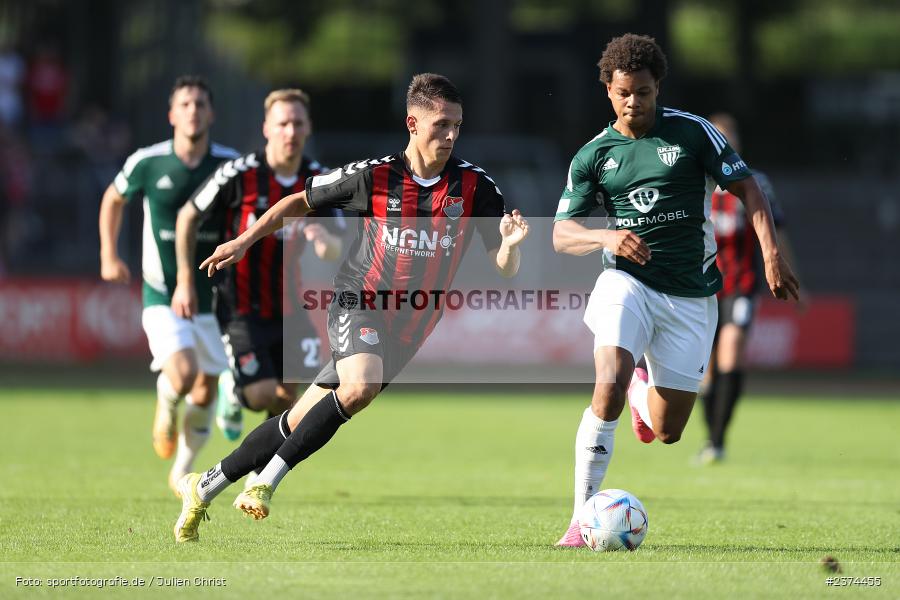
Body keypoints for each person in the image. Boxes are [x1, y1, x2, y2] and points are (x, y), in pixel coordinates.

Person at [172, 73, 530, 542]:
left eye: (457, 126)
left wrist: (510, 246)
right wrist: (242, 241)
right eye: (441, 124)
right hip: (357, 301)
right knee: (357, 387)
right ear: (412, 123)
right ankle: (265, 483)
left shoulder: (474, 186)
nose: (450, 135)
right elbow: (293, 203)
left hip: (412, 325)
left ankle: (203, 486)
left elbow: (503, 267)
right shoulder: (375, 176)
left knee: (298, 419)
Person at [552, 34, 799, 547]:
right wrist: (606, 236)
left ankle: (643, 391)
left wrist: (771, 252)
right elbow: (561, 233)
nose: (633, 102)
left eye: (643, 92)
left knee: (668, 431)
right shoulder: (593, 155)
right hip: (627, 282)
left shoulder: (693, 133)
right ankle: (579, 520)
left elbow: (747, 187)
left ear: (657, 87)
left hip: (689, 296)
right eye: (623, 93)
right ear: (608, 90)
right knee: (607, 382)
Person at [174, 88, 344, 444]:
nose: (291, 132)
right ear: (266, 127)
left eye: (298, 123)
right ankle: (234, 390)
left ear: (308, 127)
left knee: (290, 402)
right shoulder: (239, 173)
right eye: (283, 123)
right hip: (240, 307)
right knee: (264, 395)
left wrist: (321, 241)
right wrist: (184, 280)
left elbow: (337, 246)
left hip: (290, 308)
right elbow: (188, 215)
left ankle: (257, 480)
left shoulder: (321, 180)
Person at [99, 75, 239, 494]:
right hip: (161, 290)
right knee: (182, 372)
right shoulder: (148, 161)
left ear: (211, 113)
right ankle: (165, 407)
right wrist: (108, 254)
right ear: (172, 114)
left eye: (200, 103)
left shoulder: (229, 165)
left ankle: (182, 469)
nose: (193, 110)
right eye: (185, 104)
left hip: (215, 297)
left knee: (205, 385)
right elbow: (113, 198)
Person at [697, 113, 802, 465]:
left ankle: (717, 441)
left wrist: (790, 275)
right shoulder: (697, 182)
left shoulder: (756, 183)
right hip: (702, 289)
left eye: (731, 137)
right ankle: (710, 437)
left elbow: (777, 232)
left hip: (741, 285)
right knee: (704, 371)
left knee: (732, 349)